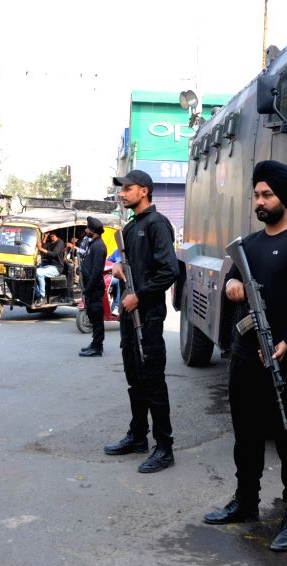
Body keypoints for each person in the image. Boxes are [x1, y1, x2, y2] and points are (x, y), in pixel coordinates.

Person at [202, 161, 287, 551]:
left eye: (267, 195)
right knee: (245, 434)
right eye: (256, 195)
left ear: (285, 199)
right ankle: (246, 502)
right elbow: (231, 279)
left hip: (286, 359)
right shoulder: (250, 245)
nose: (259, 202)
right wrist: (231, 287)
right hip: (247, 354)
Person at [104, 169, 179, 473]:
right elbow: (133, 264)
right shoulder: (134, 225)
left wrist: (141, 296)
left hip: (146, 316)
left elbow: (169, 270)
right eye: (121, 189)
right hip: (129, 314)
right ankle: (138, 436)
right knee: (135, 379)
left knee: (153, 381)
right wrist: (122, 268)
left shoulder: (157, 224)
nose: (122, 193)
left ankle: (164, 448)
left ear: (144, 191)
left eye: (127, 188)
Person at [79, 216, 108, 357]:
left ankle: (97, 348)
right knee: (93, 316)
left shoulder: (99, 247)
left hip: (94, 288)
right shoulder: (93, 243)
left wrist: (88, 288)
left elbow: (97, 271)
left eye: (87, 228)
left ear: (93, 231)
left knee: (97, 318)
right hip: (91, 288)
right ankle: (95, 343)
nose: (85, 230)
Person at [34, 230, 64, 303]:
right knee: (32, 273)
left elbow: (54, 254)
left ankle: (42, 296)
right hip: (48, 265)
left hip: (57, 267)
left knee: (39, 273)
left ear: (55, 234)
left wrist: (40, 248)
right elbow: (44, 246)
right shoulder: (50, 242)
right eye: (49, 235)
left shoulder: (60, 242)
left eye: (51, 235)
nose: (50, 237)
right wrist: (45, 237)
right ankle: (37, 295)